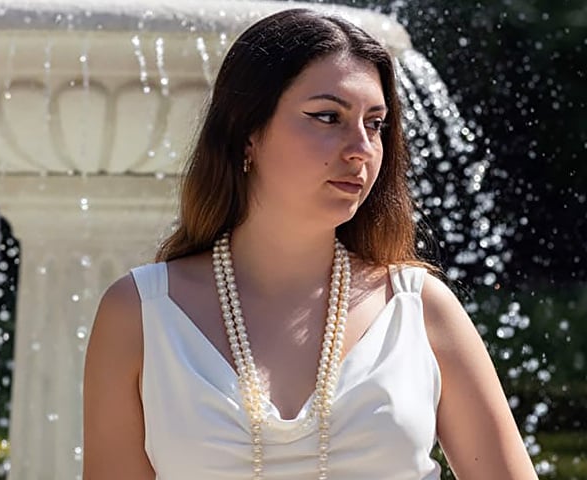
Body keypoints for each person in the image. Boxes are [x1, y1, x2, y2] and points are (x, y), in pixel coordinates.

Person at [82, 7, 539, 480]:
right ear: (247, 134)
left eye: (375, 124)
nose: (361, 148)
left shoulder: (419, 308)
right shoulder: (139, 313)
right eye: (327, 117)